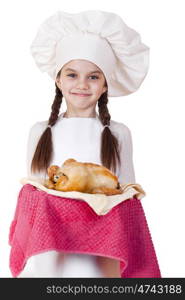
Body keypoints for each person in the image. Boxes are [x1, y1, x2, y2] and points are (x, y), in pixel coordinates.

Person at [11, 10, 160, 278]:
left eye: (93, 77)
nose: (82, 84)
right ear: (57, 80)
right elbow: (33, 197)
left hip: (101, 254)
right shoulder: (40, 132)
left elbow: (126, 196)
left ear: (105, 85)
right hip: (50, 254)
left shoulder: (118, 133)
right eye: (71, 75)